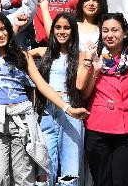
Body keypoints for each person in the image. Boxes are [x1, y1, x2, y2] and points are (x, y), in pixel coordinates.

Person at [0, 12, 89, 186]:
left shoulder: (22, 55)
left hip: (21, 118)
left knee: (24, 176)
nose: (0, 34)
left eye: (3, 29)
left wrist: (68, 109)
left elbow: (42, 85)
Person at [78, 13, 128, 186]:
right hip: (98, 129)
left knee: (124, 181)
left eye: (115, 30)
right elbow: (84, 94)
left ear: (125, 33)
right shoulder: (93, 57)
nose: (109, 35)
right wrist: (95, 70)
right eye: (105, 30)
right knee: (102, 181)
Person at [29, 13, 86, 186]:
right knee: (44, 166)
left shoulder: (81, 55)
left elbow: (81, 85)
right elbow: (21, 56)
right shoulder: (44, 51)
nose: (62, 31)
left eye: (67, 27)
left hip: (70, 110)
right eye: (58, 27)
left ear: (73, 31)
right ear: (53, 30)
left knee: (70, 166)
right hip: (46, 110)